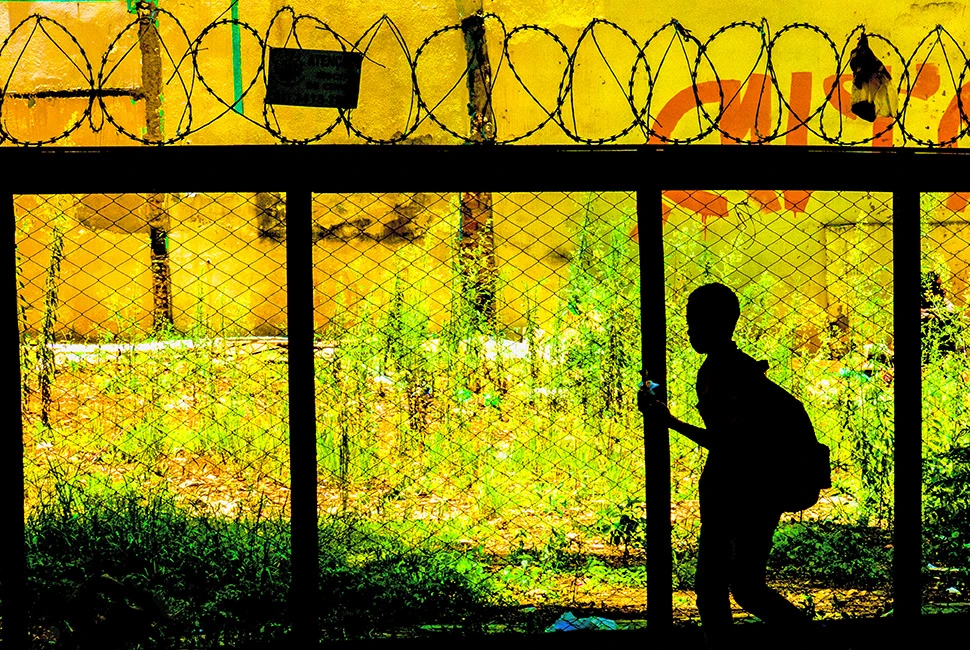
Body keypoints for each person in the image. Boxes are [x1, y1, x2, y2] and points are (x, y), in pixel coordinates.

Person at [640, 283, 812, 649]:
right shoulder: (733, 369)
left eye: (694, 322)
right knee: (745, 586)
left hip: (741, 489)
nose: (689, 331)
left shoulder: (724, 374)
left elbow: (730, 443)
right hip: (756, 487)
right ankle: (815, 641)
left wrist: (668, 421)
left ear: (716, 323)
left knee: (715, 586)